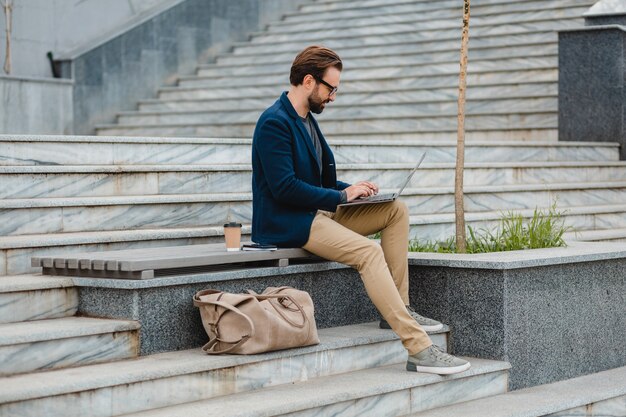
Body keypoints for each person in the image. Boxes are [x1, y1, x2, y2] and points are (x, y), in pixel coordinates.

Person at [251, 45, 470, 375]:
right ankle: (419, 348)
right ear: (309, 81)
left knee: (395, 210)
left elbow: (317, 180)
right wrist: (340, 196)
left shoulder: (306, 120)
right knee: (368, 253)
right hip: (289, 222)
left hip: (317, 212)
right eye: (331, 88)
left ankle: (398, 308)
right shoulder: (274, 123)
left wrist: (351, 190)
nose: (333, 97)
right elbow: (285, 187)